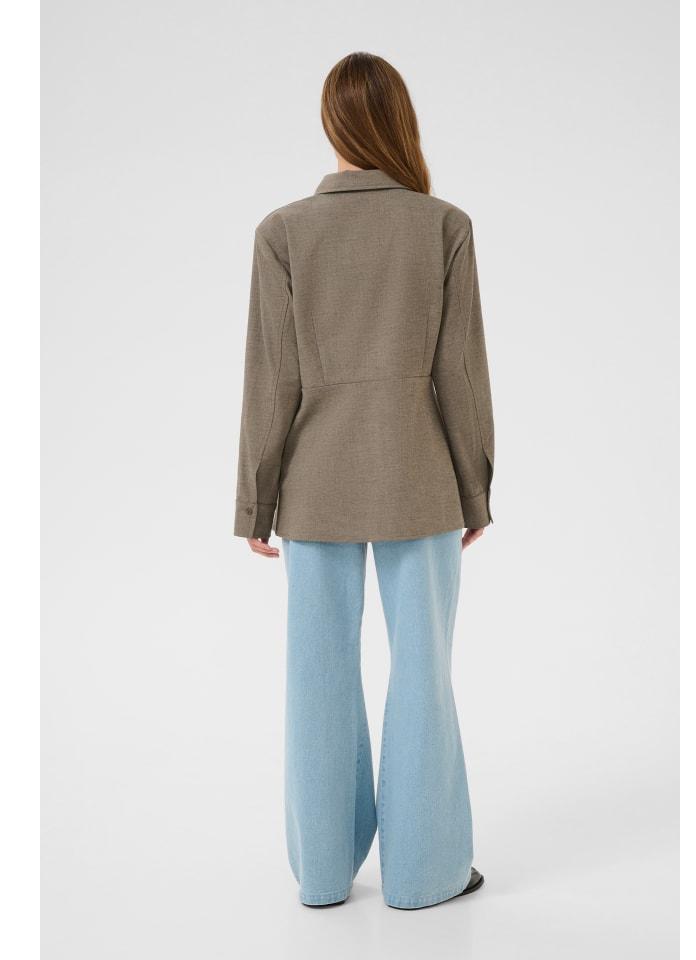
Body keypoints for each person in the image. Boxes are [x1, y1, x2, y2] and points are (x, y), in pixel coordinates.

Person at [234, 52, 494, 910]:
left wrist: (256, 500)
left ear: (330, 123)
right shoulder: (442, 225)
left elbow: (273, 381)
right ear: (399, 122)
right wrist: (474, 488)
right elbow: (460, 375)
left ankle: (320, 876)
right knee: (423, 673)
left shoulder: (283, 232)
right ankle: (423, 875)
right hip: (421, 478)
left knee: (316, 675)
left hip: (314, 486)